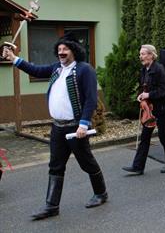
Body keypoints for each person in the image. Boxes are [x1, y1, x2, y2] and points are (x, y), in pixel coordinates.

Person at [3, 37, 108, 220]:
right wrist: (14, 58)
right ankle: (52, 206)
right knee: (55, 166)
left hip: (76, 127)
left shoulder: (85, 70)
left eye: (65, 49)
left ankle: (101, 193)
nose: (61, 52)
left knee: (86, 162)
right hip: (58, 127)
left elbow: (91, 98)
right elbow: (35, 70)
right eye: (59, 49)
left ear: (74, 50)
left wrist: (84, 124)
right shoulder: (56, 69)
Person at [122, 45, 165, 175]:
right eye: (140, 54)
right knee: (145, 137)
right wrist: (141, 95)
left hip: (160, 108)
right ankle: (138, 166)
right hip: (149, 109)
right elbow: (144, 87)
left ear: (151, 55)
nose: (141, 56)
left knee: (163, 136)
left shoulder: (159, 69)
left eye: (143, 54)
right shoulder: (144, 69)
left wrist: (149, 95)